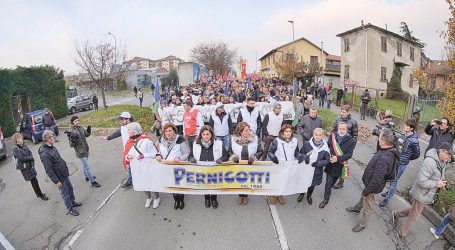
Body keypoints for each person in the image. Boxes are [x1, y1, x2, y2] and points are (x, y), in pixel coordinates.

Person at [392, 142, 454, 244]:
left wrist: (443, 182)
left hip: (427, 194)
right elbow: (421, 182)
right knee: (414, 216)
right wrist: (436, 183)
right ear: (441, 151)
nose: (449, 157)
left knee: (414, 210)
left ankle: (396, 214)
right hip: (421, 194)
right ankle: (402, 233)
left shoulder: (443, 161)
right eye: (448, 154)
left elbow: (440, 175)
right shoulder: (430, 162)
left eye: (450, 155)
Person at [346, 128, 399, 232]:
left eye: (379, 138)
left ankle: (363, 224)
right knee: (364, 196)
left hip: (372, 185)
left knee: (368, 205)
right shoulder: (388, 147)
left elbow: (376, 180)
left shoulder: (385, 158)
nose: (378, 140)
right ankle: (357, 208)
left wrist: (367, 190)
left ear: (383, 141)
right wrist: (378, 133)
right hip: (370, 183)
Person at [39, 130, 82, 216]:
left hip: (64, 173)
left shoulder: (51, 146)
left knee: (70, 189)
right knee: (65, 194)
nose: (54, 138)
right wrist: (56, 181)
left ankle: (72, 202)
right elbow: (48, 170)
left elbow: (58, 159)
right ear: (47, 139)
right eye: (52, 137)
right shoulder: (45, 154)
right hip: (59, 177)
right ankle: (70, 209)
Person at [379, 119, 420, 207]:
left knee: (394, 180)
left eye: (406, 125)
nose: (404, 126)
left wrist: (406, 158)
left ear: (411, 128)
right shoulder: (403, 134)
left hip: (402, 164)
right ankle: (389, 191)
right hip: (395, 159)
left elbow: (417, 154)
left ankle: (387, 198)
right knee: (390, 176)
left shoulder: (414, 140)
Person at [189, 125, 229, 209]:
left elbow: (226, 155)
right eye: (203, 134)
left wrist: (221, 159)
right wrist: (192, 159)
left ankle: (214, 199)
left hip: (215, 170)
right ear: (201, 135)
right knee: (204, 185)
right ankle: (207, 198)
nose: (206, 136)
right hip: (201, 170)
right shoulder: (196, 144)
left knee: (214, 186)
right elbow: (191, 155)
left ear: (211, 134)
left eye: (208, 134)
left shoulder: (218, 143)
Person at [320, 122, 356, 209]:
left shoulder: (351, 140)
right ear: (338, 129)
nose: (341, 131)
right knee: (328, 182)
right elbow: (328, 146)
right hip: (330, 162)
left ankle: (329, 188)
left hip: (340, 164)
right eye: (340, 129)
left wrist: (338, 158)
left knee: (333, 181)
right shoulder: (332, 136)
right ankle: (326, 199)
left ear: (347, 130)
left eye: (344, 129)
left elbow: (349, 155)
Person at [125, 122, 160, 209]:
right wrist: (127, 157)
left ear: (134, 131)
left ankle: (156, 198)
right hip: (138, 168)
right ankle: (148, 197)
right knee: (142, 183)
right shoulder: (131, 141)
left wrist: (144, 156)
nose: (127, 131)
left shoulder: (146, 141)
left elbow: (155, 154)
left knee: (151, 182)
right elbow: (127, 155)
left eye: (129, 130)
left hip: (148, 166)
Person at [156, 123, 190, 210]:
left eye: (170, 130)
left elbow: (187, 152)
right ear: (164, 132)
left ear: (174, 131)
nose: (168, 133)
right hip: (167, 168)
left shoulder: (180, 140)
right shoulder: (160, 140)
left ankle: (181, 200)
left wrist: (180, 157)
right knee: (172, 185)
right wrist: (158, 155)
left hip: (179, 168)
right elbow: (158, 151)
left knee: (179, 185)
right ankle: (176, 200)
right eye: (166, 131)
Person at [230, 122, 263, 205]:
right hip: (238, 165)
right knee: (239, 180)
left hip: (250, 165)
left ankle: (245, 196)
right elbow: (229, 151)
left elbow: (260, 151)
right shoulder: (233, 139)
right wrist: (234, 157)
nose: (248, 132)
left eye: (249, 130)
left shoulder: (255, 138)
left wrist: (254, 157)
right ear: (240, 132)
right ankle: (240, 195)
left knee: (247, 181)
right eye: (245, 131)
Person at [296, 128, 330, 205]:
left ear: (323, 136)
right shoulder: (307, 144)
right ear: (313, 135)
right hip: (306, 168)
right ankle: (302, 194)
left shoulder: (325, 147)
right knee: (304, 182)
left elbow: (327, 160)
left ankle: (309, 196)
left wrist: (318, 163)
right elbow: (301, 153)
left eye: (320, 135)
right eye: (316, 135)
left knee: (312, 184)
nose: (318, 137)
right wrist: (305, 157)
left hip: (316, 170)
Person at [268, 124, 300, 205]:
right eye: (286, 131)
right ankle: (273, 195)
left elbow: (296, 153)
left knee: (284, 181)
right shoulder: (277, 141)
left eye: (290, 131)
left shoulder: (295, 141)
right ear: (282, 132)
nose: (288, 133)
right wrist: (273, 158)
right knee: (276, 180)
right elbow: (270, 152)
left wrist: (300, 157)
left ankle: (280, 194)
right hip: (278, 165)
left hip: (289, 166)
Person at [101, 111, 134, 188]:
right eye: (120, 120)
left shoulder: (134, 127)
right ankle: (130, 180)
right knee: (128, 166)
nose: (121, 121)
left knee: (130, 166)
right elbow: (116, 134)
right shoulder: (122, 128)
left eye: (122, 119)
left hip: (133, 151)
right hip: (126, 151)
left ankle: (130, 181)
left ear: (128, 119)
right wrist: (107, 138)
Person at [12, 133, 48, 201]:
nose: (20, 139)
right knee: (34, 181)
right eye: (19, 138)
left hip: (30, 165)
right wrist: (31, 158)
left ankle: (38, 194)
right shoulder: (15, 149)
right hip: (26, 168)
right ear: (15, 140)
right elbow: (21, 158)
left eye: (20, 137)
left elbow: (30, 152)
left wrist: (30, 158)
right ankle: (40, 194)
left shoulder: (23, 145)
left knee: (34, 180)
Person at [67, 116, 101, 188]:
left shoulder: (81, 127)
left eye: (78, 120)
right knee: (87, 166)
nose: (77, 122)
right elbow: (71, 145)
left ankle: (86, 176)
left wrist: (88, 130)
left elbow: (86, 135)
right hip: (80, 152)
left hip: (86, 149)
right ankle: (92, 181)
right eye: (75, 121)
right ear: (72, 122)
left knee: (85, 165)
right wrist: (73, 140)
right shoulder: (70, 131)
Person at [332, 105, 358, 189]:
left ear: (348, 112)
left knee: (343, 164)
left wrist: (351, 148)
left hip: (346, 147)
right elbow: (333, 131)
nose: (342, 113)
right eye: (341, 111)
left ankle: (341, 181)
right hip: (337, 145)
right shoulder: (337, 119)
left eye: (344, 112)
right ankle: (333, 176)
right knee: (335, 161)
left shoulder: (353, 122)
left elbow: (355, 136)